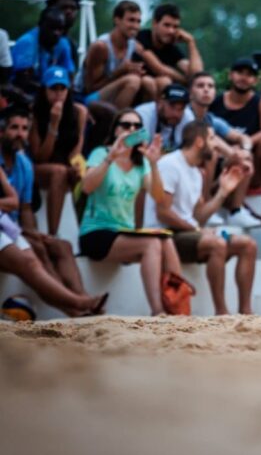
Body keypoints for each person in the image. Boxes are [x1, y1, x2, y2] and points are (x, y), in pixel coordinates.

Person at [79, 108, 184, 316]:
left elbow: (158, 197)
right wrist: (110, 158)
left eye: (137, 126)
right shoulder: (101, 153)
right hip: (96, 232)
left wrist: (154, 164)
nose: (132, 129)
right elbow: (87, 187)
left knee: (166, 240)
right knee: (152, 243)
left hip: (125, 234)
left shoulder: (140, 162)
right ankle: (158, 311)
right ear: (116, 130)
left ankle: (178, 309)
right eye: (126, 125)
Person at [144, 121, 256, 315]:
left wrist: (222, 192)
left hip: (186, 233)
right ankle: (221, 313)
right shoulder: (170, 164)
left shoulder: (196, 172)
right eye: (212, 139)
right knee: (217, 244)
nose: (216, 145)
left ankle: (246, 312)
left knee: (248, 245)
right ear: (199, 141)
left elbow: (198, 217)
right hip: (165, 235)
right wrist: (195, 229)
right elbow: (163, 212)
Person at [1, 105, 88, 302]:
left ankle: (83, 300)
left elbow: (25, 208)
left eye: (24, 129)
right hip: (6, 231)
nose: (20, 134)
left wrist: (34, 232)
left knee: (62, 246)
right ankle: (76, 304)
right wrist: (29, 234)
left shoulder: (24, 164)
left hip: (15, 229)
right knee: (38, 249)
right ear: (2, 131)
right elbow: (13, 205)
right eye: (14, 128)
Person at [0, 166, 106, 317]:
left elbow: (15, 202)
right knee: (30, 263)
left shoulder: (22, 164)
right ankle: (79, 303)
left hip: (7, 226)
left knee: (38, 260)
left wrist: (33, 233)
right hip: (6, 226)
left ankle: (80, 304)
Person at [180, 72, 261, 228]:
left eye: (210, 86)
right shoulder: (185, 115)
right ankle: (204, 207)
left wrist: (244, 150)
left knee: (245, 155)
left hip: (205, 172)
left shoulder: (211, 118)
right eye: (200, 86)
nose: (206, 90)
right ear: (190, 93)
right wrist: (233, 153)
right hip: (184, 167)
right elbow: (208, 138)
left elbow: (242, 137)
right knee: (212, 153)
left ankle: (236, 211)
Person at [210, 57, 261, 225]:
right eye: (240, 73)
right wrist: (229, 151)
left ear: (255, 80)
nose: (244, 78)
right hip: (222, 164)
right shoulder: (215, 102)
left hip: (252, 166)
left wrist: (244, 145)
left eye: (249, 75)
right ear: (230, 75)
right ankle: (229, 207)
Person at [29, 66, 88, 235]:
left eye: (63, 88)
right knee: (59, 172)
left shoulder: (79, 112)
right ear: (44, 90)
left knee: (84, 174)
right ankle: (52, 234)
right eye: (53, 88)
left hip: (65, 162)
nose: (58, 93)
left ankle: (85, 231)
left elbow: (78, 146)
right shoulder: (34, 113)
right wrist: (53, 125)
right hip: (39, 168)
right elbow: (39, 157)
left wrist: (75, 167)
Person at [80, 0, 151, 107]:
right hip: (87, 99)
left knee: (148, 82)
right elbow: (90, 89)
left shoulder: (135, 46)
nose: (136, 26)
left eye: (138, 22)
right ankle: (120, 117)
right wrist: (120, 71)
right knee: (133, 81)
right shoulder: (101, 47)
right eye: (131, 20)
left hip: (111, 96)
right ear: (117, 20)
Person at [132, 3, 205, 92]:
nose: (171, 31)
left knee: (164, 82)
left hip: (158, 87)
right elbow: (159, 68)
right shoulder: (141, 37)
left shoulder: (171, 47)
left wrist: (191, 42)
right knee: (154, 81)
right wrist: (186, 82)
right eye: (167, 25)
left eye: (175, 27)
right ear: (154, 23)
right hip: (136, 87)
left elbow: (197, 75)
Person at [10, 7, 74, 95]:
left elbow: (69, 76)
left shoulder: (63, 43)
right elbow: (22, 82)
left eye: (60, 29)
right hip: (24, 93)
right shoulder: (27, 42)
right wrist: (51, 92)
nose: (56, 33)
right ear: (40, 25)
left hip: (52, 94)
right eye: (52, 28)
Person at [135, 83, 190, 153]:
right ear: (159, 102)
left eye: (181, 108)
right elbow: (137, 150)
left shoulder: (188, 117)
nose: (176, 113)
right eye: (172, 106)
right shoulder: (142, 115)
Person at [46, 0, 83, 65]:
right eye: (64, 7)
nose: (69, 11)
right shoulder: (39, 40)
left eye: (73, 8)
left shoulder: (72, 45)